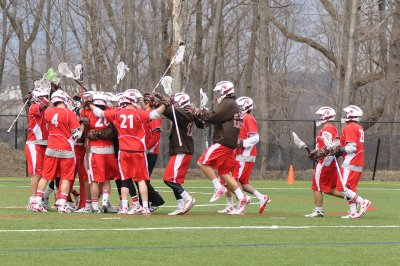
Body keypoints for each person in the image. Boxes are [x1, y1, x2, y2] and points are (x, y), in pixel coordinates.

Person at [88, 90, 171, 215]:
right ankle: (145, 208)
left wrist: (90, 104)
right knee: (141, 179)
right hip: (138, 150)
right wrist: (164, 105)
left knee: (125, 180)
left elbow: (99, 112)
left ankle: (125, 207)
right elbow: (154, 115)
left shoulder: (117, 112)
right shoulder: (139, 113)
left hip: (124, 150)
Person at [187, 81, 250, 214]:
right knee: (224, 173)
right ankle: (242, 197)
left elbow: (213, 116)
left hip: (224, 141)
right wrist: (201, 112)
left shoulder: (228, 103)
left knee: (202, 163)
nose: (217, 95)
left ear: (225, 91)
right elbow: (215, 116)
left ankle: (218, 188)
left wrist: (197, 112)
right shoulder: (231, 105)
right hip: (229, 142)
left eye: (218, 92)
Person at [33, 89, 85, 213]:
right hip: (66, 149)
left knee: (45, 176)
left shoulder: (48, 112)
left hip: (51, 147)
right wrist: (82, 125)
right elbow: (77, 135)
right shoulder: (69, 113)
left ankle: (37, 202)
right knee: (66, 177)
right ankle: (62, 204)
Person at [219, 96, 271, 214]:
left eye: (239, 106)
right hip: (241, 154)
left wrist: (242, 142)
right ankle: (262, 197)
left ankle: (241, 207)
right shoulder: (241, 118)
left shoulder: (248, 118)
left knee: (234, 180)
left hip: (245, 154)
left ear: (245, 107)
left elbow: (255, 137)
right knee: (242, 182)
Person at [162, 92, 204, 215]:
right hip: (181, 149)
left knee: (169, 180)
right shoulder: (188, 112)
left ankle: (188, 198)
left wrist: (163, 102)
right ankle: (180, 205)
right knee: (174, 180)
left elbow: (168, 111)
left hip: (182, 149)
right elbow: (201, 124)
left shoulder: (184, 113)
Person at [327, 105, 372, 219]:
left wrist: (339, 150)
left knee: (342, 187)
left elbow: (352, 147)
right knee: (350, 189)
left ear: (351, 115)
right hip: (357, 161)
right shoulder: (358, 127)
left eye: (347, 113)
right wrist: (339, 151)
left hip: (351, 161)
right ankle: (353, 212)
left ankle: (363, 202)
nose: (345, 115)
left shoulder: (350, 127)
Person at [85, 92, 120, 213]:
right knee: (106, 179)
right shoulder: (110, 111)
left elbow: (84, 127)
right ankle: (105, 201)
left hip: (95, 149)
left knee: (94, 179)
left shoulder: (88, 113)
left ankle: (94, 206)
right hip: (109, 150)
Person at [305, 106, 343, 218]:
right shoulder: (329, 129)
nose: (319, 118)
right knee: (329, 189)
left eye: (321, 116)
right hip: (328, 161)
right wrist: (316, 151)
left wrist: (321, 154)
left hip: (325, 162)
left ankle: (318, 211)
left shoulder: (328, 129)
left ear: (326, 116)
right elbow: (325, 146)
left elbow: (332, 146)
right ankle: (353, 198)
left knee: (316, 186)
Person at [25, 88, 49, 211]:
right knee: (37, 174)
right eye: (41, 96)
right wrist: (50, 90)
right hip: (34, 144)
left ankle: (40, 200)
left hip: (44, 144)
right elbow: (45, 102)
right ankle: (33, 201)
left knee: (45, 174)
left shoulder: (43, 109)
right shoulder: (34, 107)